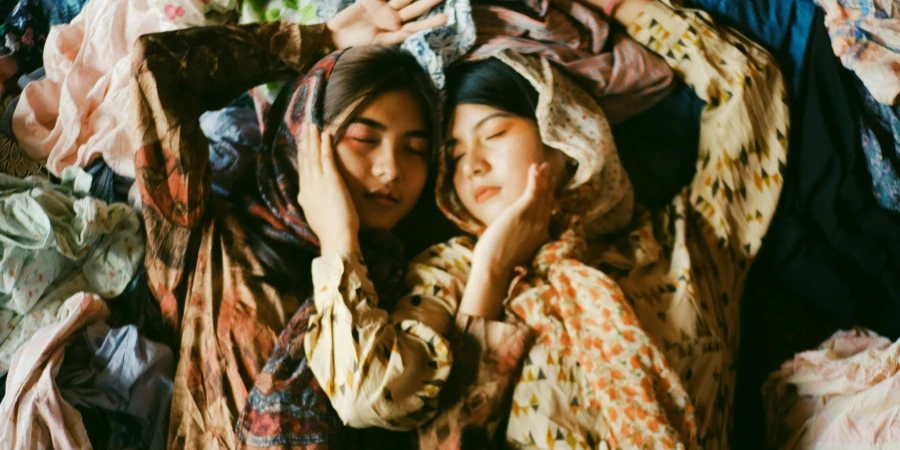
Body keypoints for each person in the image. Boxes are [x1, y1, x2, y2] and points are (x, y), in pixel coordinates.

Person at [429, 0, 791, 447]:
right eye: (456, 154)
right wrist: (491, 271)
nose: (473, 167)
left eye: (495, 134)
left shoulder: (686, 245)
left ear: (563, 132)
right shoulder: (448, 278)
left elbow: (748, 85)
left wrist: (617, 6)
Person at [129, 1, 486, 448]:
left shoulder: (413, 281)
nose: (390, 169)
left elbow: (387, 401)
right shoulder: (206, 241)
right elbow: (156, 67)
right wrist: (320, 41)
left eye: (414, 150)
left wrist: (341, 246)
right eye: (363, 139)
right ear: (303, 135)